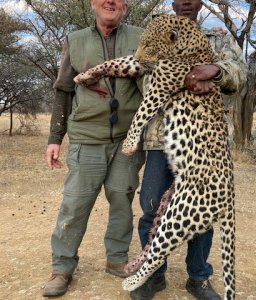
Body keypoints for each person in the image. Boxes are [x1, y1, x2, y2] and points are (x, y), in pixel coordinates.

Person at [130, 1, 248, 300]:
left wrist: (215, 72)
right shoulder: (156, 30)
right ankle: (154, 275)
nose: (185, 2)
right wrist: (182, 77)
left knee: (204, 210)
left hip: (205, 142)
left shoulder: (218, 38)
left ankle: (198, 277)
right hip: (163, 137)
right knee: (152, 204)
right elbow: (144, 77)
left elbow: (238, 75)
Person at [42, 0, 145, 297]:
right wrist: (54, 138)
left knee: (122, 201)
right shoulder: (75, 40)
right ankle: (62, 267)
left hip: (128, 139)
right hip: (86, 137)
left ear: (125, 5)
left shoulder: (141, 37)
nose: (110, 2)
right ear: (92, 4)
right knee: (74, 205)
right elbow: (63, 91)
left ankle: (117, 260)